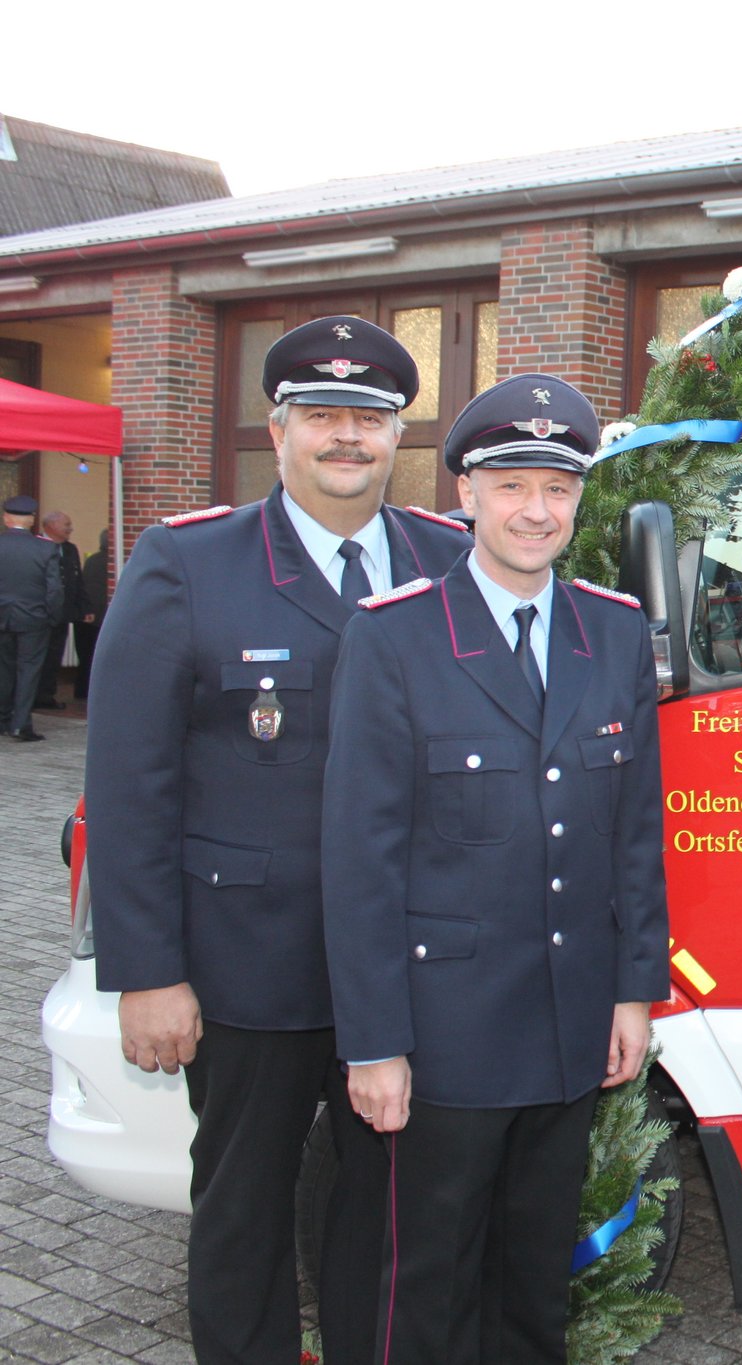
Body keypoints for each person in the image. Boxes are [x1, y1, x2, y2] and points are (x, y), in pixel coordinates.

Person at [86, 315, 473, 1365]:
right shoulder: (187, 562)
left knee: (380, 1212)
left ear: (401, 433)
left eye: (371, 417)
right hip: (250, 963)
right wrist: (146, 972)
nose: (347, 437)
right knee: (244, 1211)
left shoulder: (454, 559)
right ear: (279, 427)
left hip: (404, 967)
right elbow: (128, 784)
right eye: (323, 416)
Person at [323, 374, 670, 1365]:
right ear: (464, 493)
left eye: (557, 490)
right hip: (445, 1038)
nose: (535, 510)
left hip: (565, 1025)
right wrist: (375, 1046)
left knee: (531, 1281)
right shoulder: (393, 636)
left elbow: (631, 839)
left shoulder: (608, 630)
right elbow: (360, 863)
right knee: (422, 1284)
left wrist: (631, 998)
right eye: (511, 484)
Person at [0, 494, 62, 740]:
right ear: (31, 520)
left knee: (3, 670)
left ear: (6, 518)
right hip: (34, 618)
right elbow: (55, 589)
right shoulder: (46, 548)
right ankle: (20, 724)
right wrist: (53, 616)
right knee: (29, 670)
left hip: (2, 617)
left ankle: (3, 719)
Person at [34, 508, 83, 709]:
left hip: (62, 613)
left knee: (55, 655)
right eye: (66, 525)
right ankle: (31, 696)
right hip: (40, 612)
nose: (70, 529)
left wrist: (82, 607)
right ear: (52, 526)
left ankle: (46, 695)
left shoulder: (70, 549)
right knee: (37, 656)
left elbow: (76, 581)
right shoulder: (36, 546)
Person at [74, 526, 109, 701]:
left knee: (85, 658)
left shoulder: (92, 560)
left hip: (87, 616)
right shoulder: (110, 562)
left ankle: (81, 691)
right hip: (101, 618)